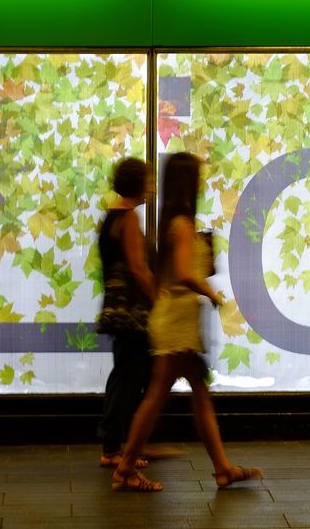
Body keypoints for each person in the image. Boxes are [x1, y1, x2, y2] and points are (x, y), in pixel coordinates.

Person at [113, 152, 262, 492]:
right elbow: (182, 273)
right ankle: (124, 468)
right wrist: (211, 292)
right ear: (188, 183)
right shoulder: (181, 226)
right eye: (197, 177)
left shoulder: (174, 223)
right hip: (177, 321)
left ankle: (223, 468)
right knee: (160, 396)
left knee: (195, 393)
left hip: (177, 318)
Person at [96, 157, 158, 469]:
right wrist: (157, 299)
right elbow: (138, 268)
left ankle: (123, 443)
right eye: (148, 181)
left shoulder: (111, 217)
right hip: (132, 311)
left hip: (115, 306)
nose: (151, 188)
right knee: (130, 376)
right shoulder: (130, 219)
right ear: (137, 184)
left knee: (126, 373)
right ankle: (114, 447)